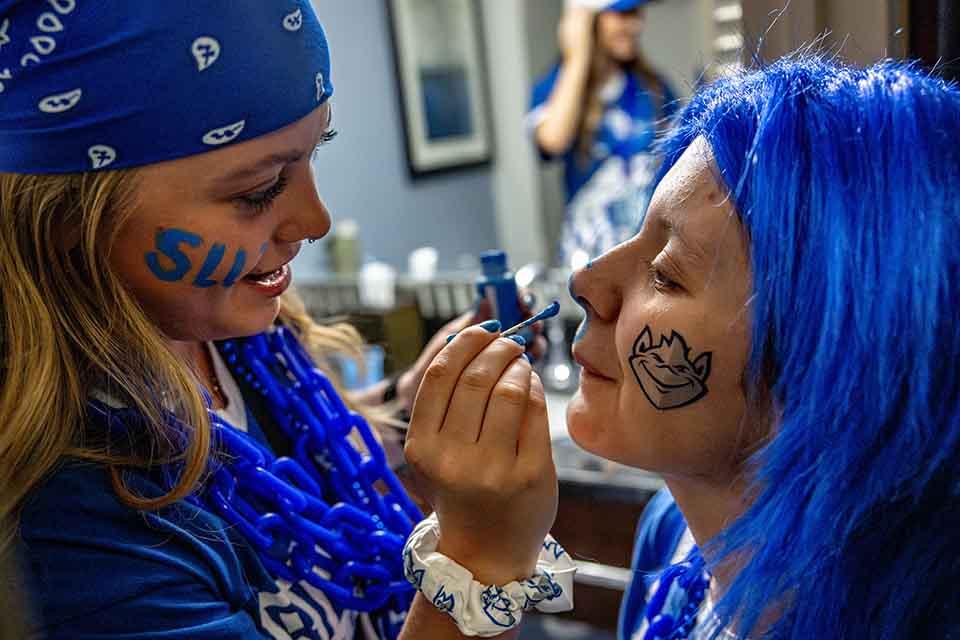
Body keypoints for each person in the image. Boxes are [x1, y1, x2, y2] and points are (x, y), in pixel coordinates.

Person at [0, 3, 542, 638]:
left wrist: (407, 409)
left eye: (316, 154)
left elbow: (281, 471)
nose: (316, 221)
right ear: (68, 216)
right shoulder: (72, 521)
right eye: (257, 191)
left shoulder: (231, 339)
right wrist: (482, 554)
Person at [403, 56, 960, 639]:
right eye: (635, 237)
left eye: (666, 274)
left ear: (827, 367)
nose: (586, 282)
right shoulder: (673, 537)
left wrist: (476, 561)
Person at [527, 0, 678, 268]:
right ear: (588, 20)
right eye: (623, 15)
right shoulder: (556, 88)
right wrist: (577, 56)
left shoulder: (653, 86)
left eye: (637, 13)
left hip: (645, 257)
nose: (636, 25)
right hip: (589, 260)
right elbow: (552, 141)